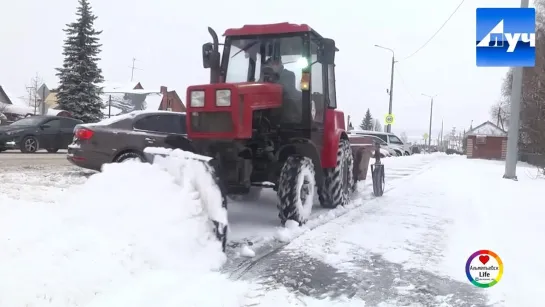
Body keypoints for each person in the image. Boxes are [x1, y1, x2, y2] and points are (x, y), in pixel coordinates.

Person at [261, 57, 302, 123]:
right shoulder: (268, 76)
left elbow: (285, 88)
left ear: (277, 64)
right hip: (271, 111)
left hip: (286, 112)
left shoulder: (288, 74)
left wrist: (271, 79)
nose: (269, 69)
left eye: (270, 66)